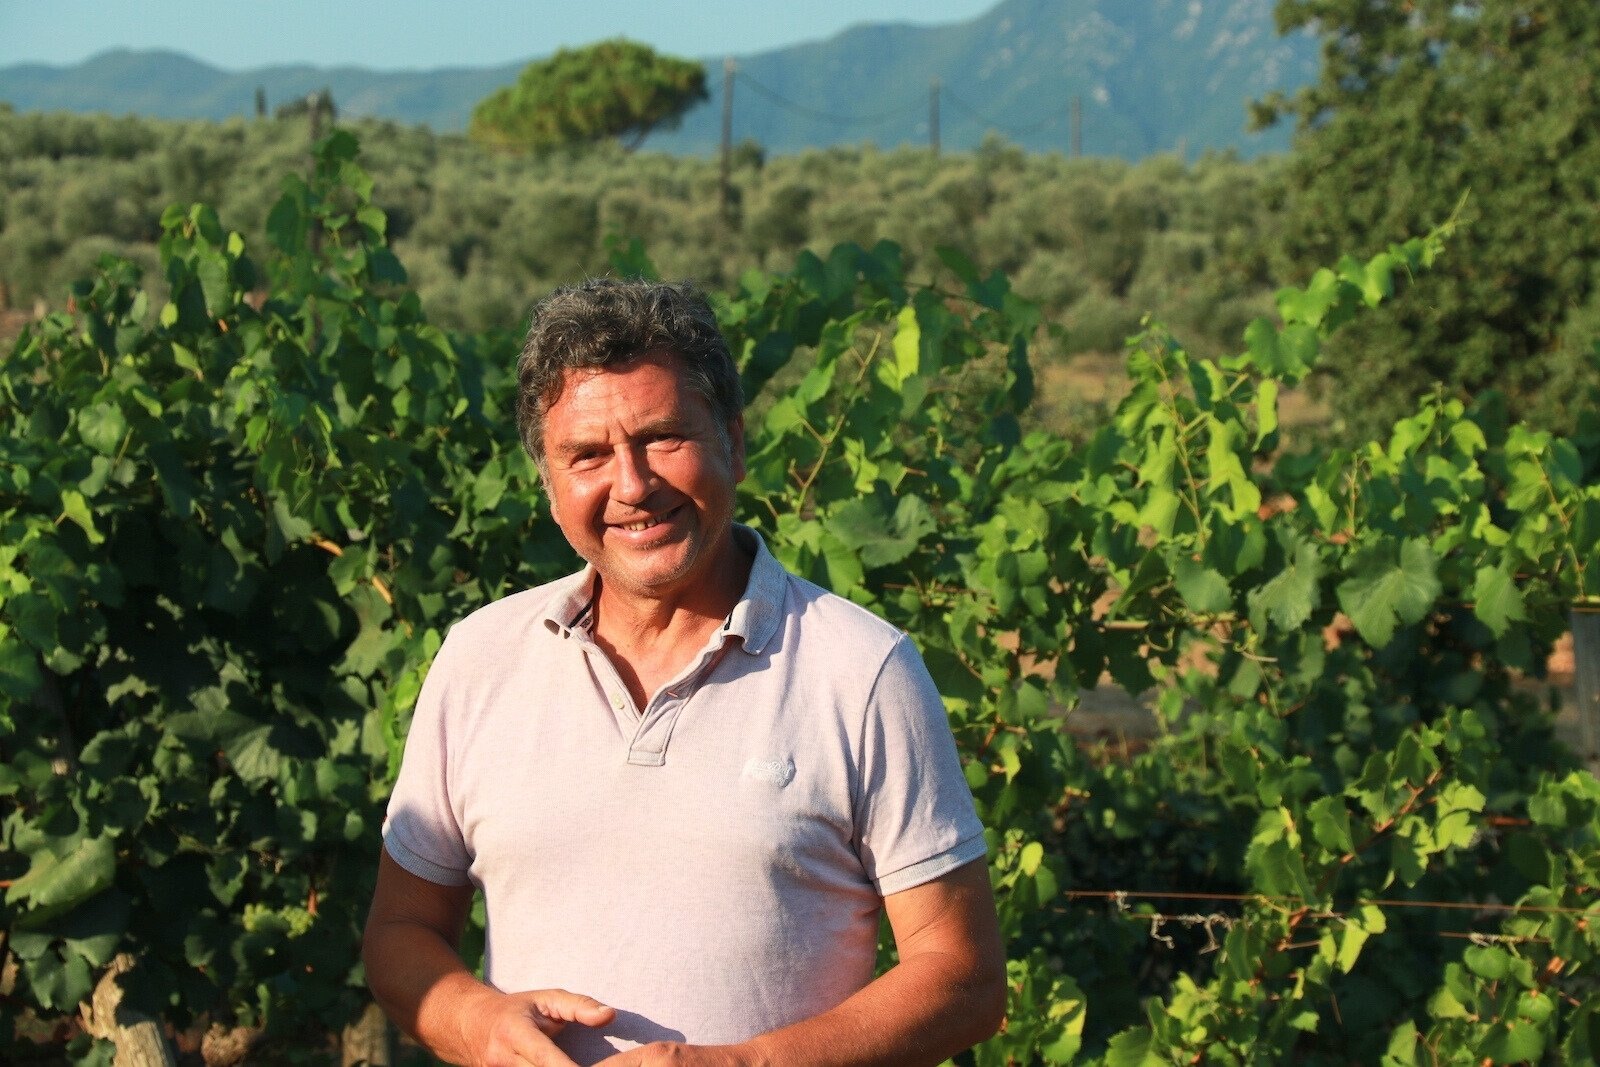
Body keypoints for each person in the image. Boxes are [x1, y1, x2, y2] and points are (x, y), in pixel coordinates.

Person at [362, 278, 1005, 1066]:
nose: (632, 485)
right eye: (588, 454)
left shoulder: (862, 671)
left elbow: (964, 976)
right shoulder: (480, 659)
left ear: (732, 442)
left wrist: (744, 1065)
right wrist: (481, 1026)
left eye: (663, 437)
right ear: (550, 482)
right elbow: (400, 932)